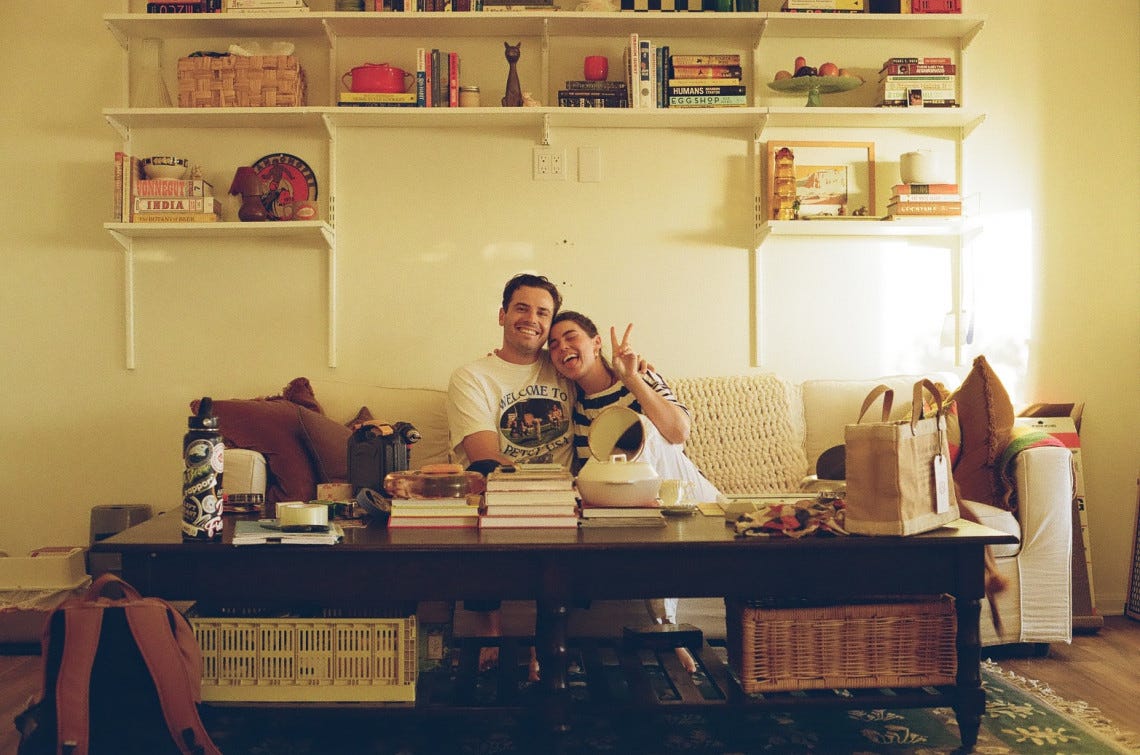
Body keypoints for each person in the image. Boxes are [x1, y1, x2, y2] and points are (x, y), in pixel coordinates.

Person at [547, 311, 724, 672]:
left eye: (570, 337)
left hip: (685, 492)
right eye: (553, 344)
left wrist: (632, 379)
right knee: (613, 482)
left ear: (596, 343)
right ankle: (665, 626)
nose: (561, 347)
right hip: (637, 505)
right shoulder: (577, 412)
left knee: (639, 428)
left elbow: (678, 433)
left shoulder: (641, 377)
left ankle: (666, 626)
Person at [446, 273, 575, 675]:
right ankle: (490, 628)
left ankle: (544, 639)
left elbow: (606, 380)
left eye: (542, 313)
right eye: (521, 308)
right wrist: (536, 491)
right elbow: (484, 456)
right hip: (498, 492)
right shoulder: (472, 376)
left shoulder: (564, 368)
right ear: (502, 315)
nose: (531, 319)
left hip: (564, 499)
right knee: (486, 491)